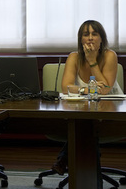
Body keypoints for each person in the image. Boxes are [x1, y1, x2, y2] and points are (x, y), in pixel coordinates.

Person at [52, 20, 123, 175]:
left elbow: (104, 89)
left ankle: (63, 159)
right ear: (81, 40)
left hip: (111, 112)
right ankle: (87, 176)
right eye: (86, 34)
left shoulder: (110, 55)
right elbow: (66, 87)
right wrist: (89, 89)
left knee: (87, 126)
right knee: (85, 124)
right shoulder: (74, 57)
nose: (90, 38)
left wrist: (92, 62)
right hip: (82, 110)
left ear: (101, 38)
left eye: (94, 34)